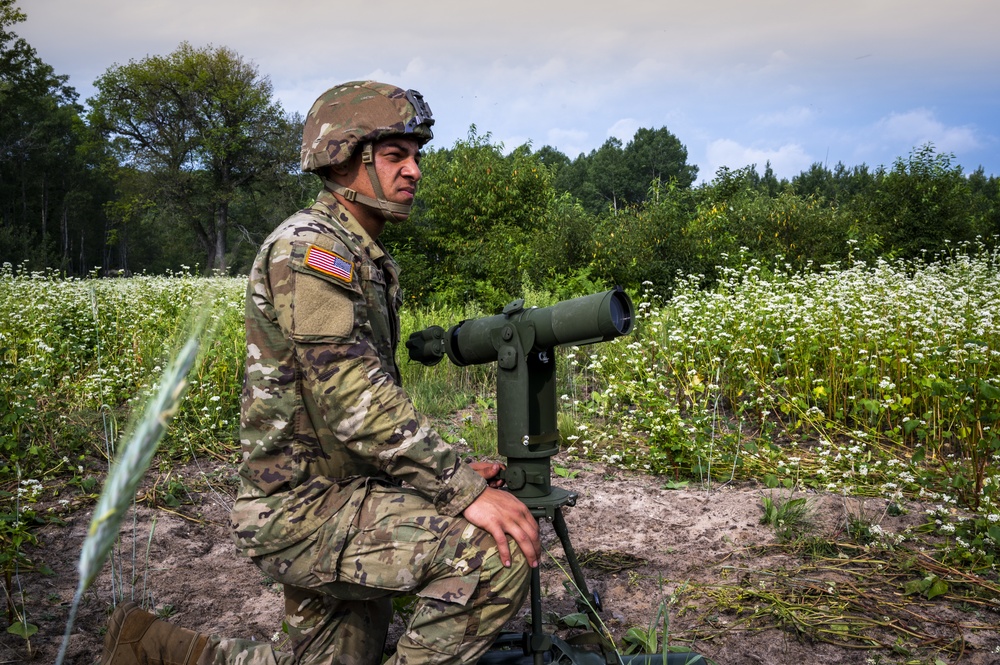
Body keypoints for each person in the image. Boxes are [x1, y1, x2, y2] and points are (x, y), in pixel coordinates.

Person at [101, 81, 540, 665]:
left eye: (416, 157)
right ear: (346, 160)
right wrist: (459, 489)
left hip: (343, 495)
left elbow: (359, 404)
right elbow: (354, 398)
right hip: (304, 511)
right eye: (394, 156)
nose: (413, 171)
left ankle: (148, 647)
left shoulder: (362, 255)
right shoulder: (312, 251)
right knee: (490, 551)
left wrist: (447, 472)